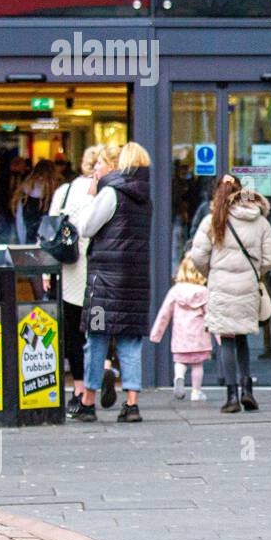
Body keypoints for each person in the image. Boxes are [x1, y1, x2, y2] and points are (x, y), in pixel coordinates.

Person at [75, 142, 153, 423]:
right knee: (130, 341)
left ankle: (88, 400)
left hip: (105, 279)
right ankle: (131, 403)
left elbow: (85, 227)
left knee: (96, 338)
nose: (96, 169)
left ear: (115, 165)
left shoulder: (110, 193)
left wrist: (91, 196)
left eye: (100, 164)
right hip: (134, 278)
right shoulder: (145, 197)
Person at [190, 175, 271, 413]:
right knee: (243, 338)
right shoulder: (260, 221)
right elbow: (270, 258)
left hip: (221, 285)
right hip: (249, 285)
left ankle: (231, 397)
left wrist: (212, 272)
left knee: (227, 340)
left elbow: (197, 256)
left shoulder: (212, 220)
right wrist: (255, 273)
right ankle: (248, 389)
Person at [44, 143, 110, 416]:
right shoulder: (109, 193)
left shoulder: (65, 191)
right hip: (100, 268)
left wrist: (48, 272)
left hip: (70, 268)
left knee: (73, 330)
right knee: (99, 327)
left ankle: (80, 388)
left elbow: (51, 232)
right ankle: (104, 368)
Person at [150, 255, 213, 402]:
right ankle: (196, 392)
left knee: (180, 361)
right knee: (197, 365)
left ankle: (179, 377)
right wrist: (220, 336)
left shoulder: (175, 291)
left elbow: (164, 314)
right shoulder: (204, 292)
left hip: (180, 337)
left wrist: (156, 334)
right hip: (199, 338)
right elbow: (211, 316)